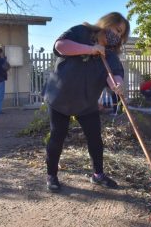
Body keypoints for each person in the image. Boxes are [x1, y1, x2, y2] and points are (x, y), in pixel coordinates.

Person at [43, 12, 130, 192]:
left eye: (121, 35)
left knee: (95, 139)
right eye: (117, 29)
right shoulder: (81, 32)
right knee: (57, 136)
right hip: (60, 97)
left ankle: (98, 175)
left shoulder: (110, 56)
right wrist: (90, 49)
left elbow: (115, 76)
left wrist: (117, 85)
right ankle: (51, 176)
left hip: (86, 102)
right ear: (108, 23)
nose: (117, 36)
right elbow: (60, 46)